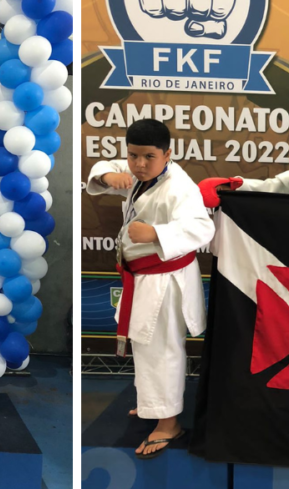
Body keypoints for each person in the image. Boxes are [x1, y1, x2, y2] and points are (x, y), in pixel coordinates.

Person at [86, 119, 215, 459]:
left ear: (167, 155)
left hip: (164, 281)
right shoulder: (141, 174)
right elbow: (107, 168)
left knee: (161, 349)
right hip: (143, 278)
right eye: (133, 156)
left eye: (149, 157)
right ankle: (152, 405)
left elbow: (202, 228)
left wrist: (156, 234)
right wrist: (107, 176)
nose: (139, 164)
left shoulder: (179, 188)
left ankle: (168, 423)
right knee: (145, 345)